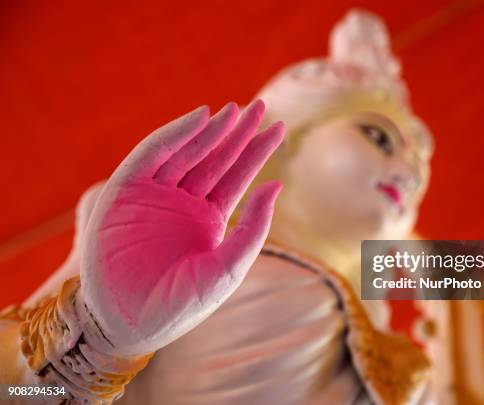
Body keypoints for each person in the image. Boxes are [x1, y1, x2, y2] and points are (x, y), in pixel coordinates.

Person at [0, 10, 433, 404]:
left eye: (420, 168)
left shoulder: (389, 361)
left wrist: (455, 299)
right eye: (379, 139)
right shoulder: (163, 244)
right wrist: (95, 339)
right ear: (289, 139)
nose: (408, 174)